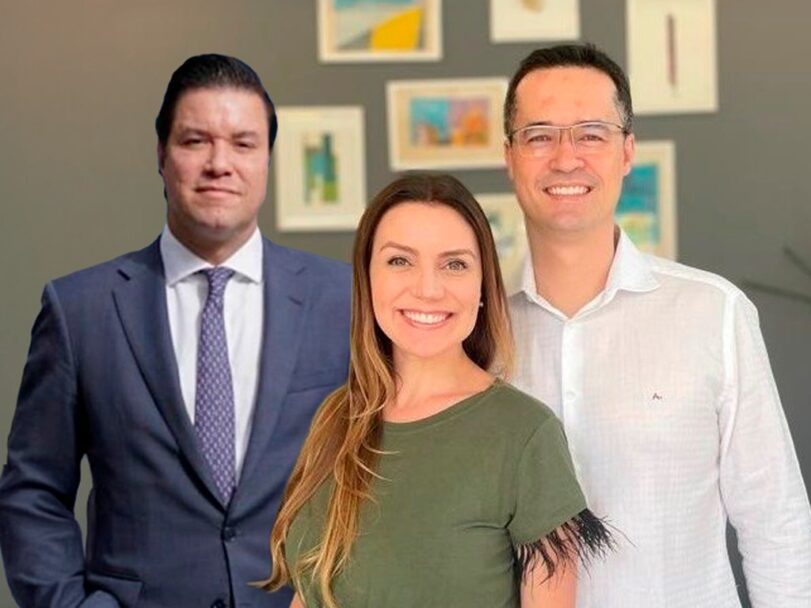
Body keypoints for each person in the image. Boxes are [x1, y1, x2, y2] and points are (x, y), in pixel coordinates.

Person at [0, 54, 351, 608]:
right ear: (161, 155)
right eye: (195, 141)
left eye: (243, 143)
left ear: (267, 159)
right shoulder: (81, 310)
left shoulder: (344, 299)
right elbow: (33, 491)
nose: (219, 163)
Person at [503, 43, 811, 607]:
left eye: (591, 133)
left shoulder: (713, 312)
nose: (566, 158)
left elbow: (776, 522)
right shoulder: (474, 330)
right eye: (539, 135)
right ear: (510, 156)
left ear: (626, 151)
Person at [262, 173, 613, 608]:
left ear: (482, 286)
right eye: (399, 261)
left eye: (454, 264)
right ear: (367, 279)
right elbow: (310, 591)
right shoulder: (337, 416)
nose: (428, 289)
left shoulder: (525, 435)